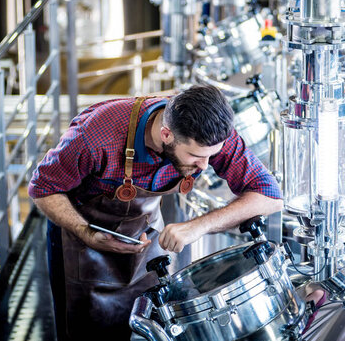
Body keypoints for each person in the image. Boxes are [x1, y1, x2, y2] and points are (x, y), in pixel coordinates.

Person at [28, 85, 282, 340]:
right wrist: (85, 231)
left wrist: (198, 226)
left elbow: (270, 196)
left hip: (146, 241)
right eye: (195, 156)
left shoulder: (210, 131)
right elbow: (43, 187)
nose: (205, 165)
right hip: (84, 246)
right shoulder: (95, 135)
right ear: (166, 134)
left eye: (211, 156)